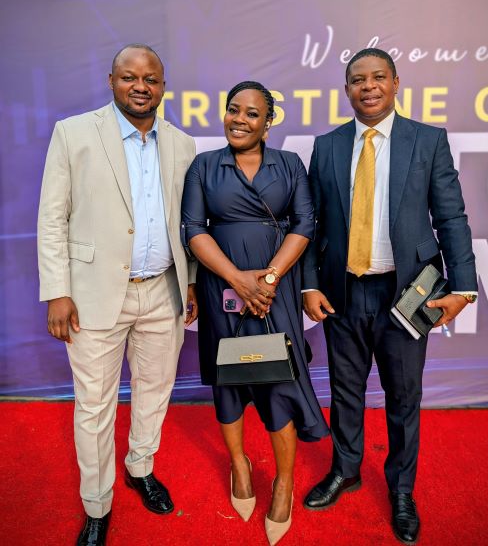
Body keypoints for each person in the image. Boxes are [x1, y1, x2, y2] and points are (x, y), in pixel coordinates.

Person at [302, 48, 477, 544]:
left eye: (378, 77)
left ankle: (402, 490)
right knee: (345, 390)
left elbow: (451, 217)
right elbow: (312, 224)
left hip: (407, 294)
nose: (369, 86)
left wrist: (463, 287)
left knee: (404, 396)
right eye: (358, 80)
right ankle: (346, 470)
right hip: (343, 290)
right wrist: (310, 283)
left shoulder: (428, 140)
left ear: (396, 83)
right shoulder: (328, 146)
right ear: (347, 90)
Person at [37, 44, 198, 546]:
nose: (140, 86)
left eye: (151, 78)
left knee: (154, 391)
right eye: (130, 77)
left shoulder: (182, 144)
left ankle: (140, 467)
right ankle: (97, 504)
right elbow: (52, 217)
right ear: (112, 81)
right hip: (92, 297)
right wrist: (57, 291)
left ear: (163, 86)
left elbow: (189, 222)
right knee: (94, 405)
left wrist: (190, 281)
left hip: (163, 291)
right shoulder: (73, 133)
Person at [181, 81, 329, 545]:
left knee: (279, 379)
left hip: (276, 289)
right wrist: (237, 280)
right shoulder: (205, 165)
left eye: (251, 113)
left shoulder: (289, 164)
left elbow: (305, 223)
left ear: (268, 122)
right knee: (229, 378)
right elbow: (193, 229)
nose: (239, 119)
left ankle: (284, 482)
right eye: (233, 109)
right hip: (221, 288)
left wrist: (268, 279)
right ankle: (239, 465)